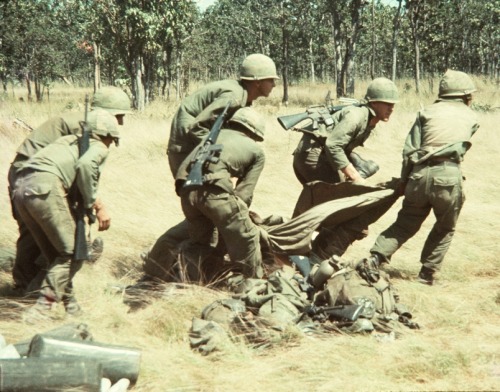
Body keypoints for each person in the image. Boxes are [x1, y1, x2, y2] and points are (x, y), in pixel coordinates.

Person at [141, 53, 279, 282]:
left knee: (204, 224)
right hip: (187, 150)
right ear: (257, 81)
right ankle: (238, 277)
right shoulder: (234, 96)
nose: (274, 84)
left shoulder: (240, 95)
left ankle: (187, 271)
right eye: (270, 79)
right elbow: (198, 128)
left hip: (190, 158)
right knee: (211, 219)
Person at [359, 70, 479, 285]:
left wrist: (405, 182)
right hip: (448, 176)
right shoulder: (471, 116)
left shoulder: (426, 112)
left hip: (418, 175)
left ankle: (375, 259)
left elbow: (409, 151)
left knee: (406, 222)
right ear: (465, 96)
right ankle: (427, 273)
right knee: (445, 227)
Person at [8, 87, 131, 295]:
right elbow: (83, 168)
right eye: (118, 116)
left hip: (28, 175)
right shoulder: (86, 126)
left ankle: (34, 285)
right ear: (105, 112)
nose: (120, 123)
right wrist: (97, 205)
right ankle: (31, 287)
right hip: (36, 178)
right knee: (46, 235)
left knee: (39, 233)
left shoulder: (78, 121)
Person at [291, 77, 399, 262]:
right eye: (387, 103)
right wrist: (355, 176)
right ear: (374, 102)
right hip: (314, 158)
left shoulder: (367, 118)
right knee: (342, 208)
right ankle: (309, 253)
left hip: (314, 157)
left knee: (327, 207)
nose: (392, 108)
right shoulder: (357, 116)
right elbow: (333, 145)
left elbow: (341, 146)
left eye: (393, 104)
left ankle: (304, 249)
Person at [173, 107, 267, 281]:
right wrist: (237, 215)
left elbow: (183, 169)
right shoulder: (256, 151)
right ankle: (253, 286)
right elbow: (244, 193)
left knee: (199, 243)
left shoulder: (210, 138)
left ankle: (188, 282)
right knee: (248, 237)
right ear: (254, 131)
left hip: (187, 193)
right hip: (215, 194)